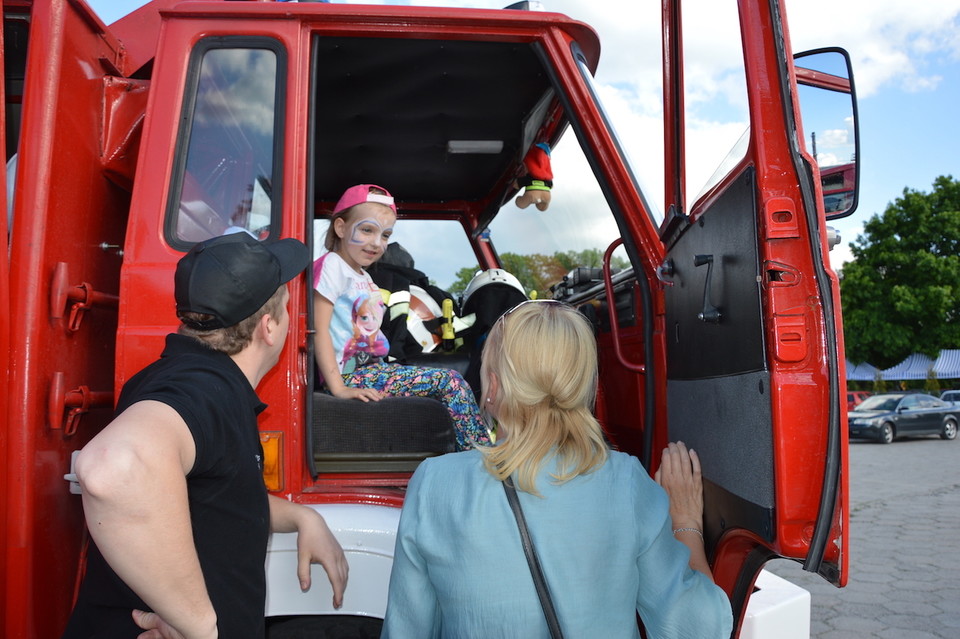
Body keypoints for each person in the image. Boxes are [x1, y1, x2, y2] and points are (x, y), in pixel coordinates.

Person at [381, 300, 733, 637]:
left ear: (495, 387)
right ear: (584, 385)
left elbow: (407, 629)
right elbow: (698, 628)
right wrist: (685, 520)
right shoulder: (625, 481)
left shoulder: (433, 483)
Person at [62, 232, 348, 639]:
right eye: (287, 309)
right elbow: (112, 467)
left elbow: (209, 497)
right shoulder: (203, 390)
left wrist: (302, 516)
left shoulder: (193, 380)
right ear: (268, 328)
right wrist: (198, 625)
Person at [312, 184, 490, 451]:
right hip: (351, 375)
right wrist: (338, 387)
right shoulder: (332, 266)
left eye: (385, 235)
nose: (377, 243)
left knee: (445, 385)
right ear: (340, 228)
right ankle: (483, 459)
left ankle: (468, 454)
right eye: (367, 230)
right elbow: (320, 329)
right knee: (450, 381)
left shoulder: (365, 278)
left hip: (374, 371)